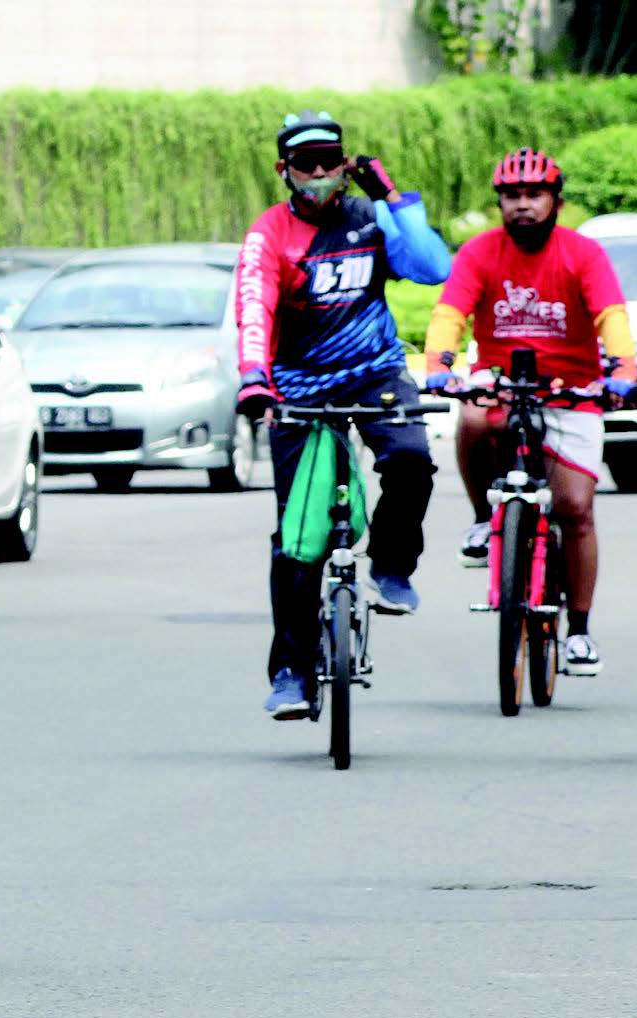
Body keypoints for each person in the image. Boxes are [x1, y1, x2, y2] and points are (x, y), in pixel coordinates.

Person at [235, 111, 452, 719]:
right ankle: (291, 673)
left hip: (377, 373)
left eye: (331, 158)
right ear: (286, 172)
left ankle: (391, 568)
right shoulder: (268, 234)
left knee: (411, 460)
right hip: (299, 389)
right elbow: (254, 308)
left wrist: (394, 198)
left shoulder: (371, 217)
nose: (321, 171)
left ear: (346, 163)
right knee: (298, 538)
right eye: (306, 162)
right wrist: (255, 382)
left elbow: (434, 269)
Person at [424, 147, 637, 675]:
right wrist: (438, 364)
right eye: (511, 196)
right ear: (499, 203)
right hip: (502, 384)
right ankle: (482, 521)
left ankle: (580, 633)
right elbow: (451, 311)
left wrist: (624, 371)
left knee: (575, 508)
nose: (522, 205)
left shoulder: (582, 254)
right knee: (472, 417)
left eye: (534, 195)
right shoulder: (479, 252)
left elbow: (610, 314)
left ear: (556, 202)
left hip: (573, 390)